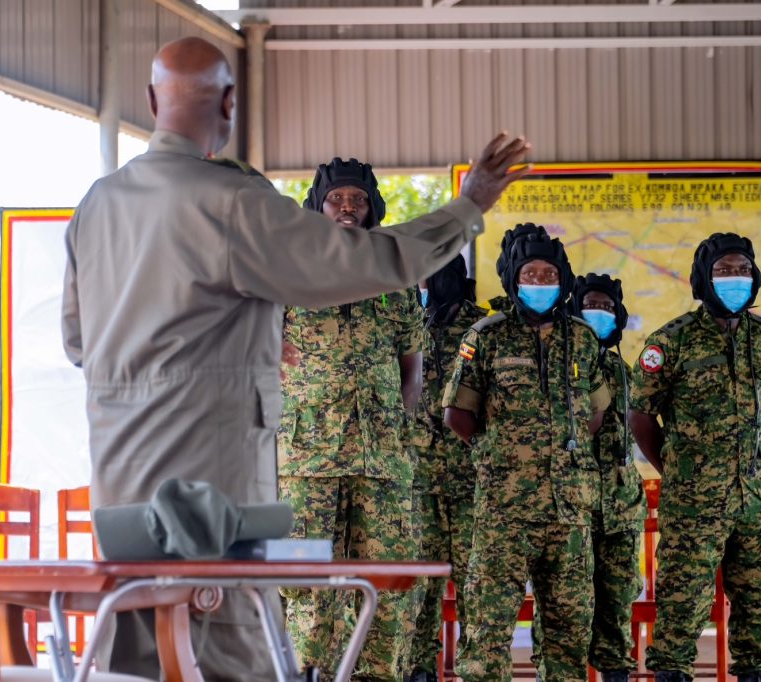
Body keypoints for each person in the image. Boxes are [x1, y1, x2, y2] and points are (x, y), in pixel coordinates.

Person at [60, 35, 530, 681]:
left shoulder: (96, 205)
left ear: (148, 101)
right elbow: (362, 262)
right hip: (205, 475)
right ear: (229, 102)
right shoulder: (227, 202)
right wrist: (467, 205)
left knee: (142, 641)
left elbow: (79, 342)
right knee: (219, 640)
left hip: (119, 480)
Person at [277, 158, 427, 682]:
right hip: (305, 457)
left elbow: (413, 368)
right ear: (318, 207)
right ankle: (307, 672)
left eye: (357, 199)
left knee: (389, 576)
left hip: (381, 457)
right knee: (305, 578)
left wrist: (398, 429)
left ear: (371, 209)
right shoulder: (285, 273)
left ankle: (377, 676)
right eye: (337, 198)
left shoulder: (394, 278)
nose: (347, 207)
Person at [442, 223, 609, 682]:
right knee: (488, 629)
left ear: (563, 279)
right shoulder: (486, 335)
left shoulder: (582, 338)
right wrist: (499, 453)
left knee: (569, 630)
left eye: (547, 274)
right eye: (530, 275)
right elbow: (458, 414)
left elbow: (595, 413)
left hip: (569, 512)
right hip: (504, 512)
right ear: (514, 280)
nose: (539, 283)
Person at [627, 233, 761, 682]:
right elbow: (640, 418)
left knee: (758, 607)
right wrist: (679, 470)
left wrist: (747, 465)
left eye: (742, 270)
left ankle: (756, 672)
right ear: (704, 278)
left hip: (755, 501)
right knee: (682, 604)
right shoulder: (671, 342)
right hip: (694, 503)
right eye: (724, 271)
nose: (735, 279)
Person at [532, 273, 645, 682]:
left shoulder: (625, 372)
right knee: (563, 610)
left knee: (616, 606)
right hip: (568, 509)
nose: (599, 314)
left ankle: (616, 672)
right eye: (589, 306)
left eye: (608, 307)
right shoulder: (554, 366)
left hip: (618, 510)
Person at [405, 255, 489, 682]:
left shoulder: (483, 327)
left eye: (429, 275)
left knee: (477, 582)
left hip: (471, 478)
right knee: (419, 583)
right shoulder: (407, 320)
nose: (423, 285)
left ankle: (477, 668)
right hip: (418, 478)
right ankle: (419, 667)